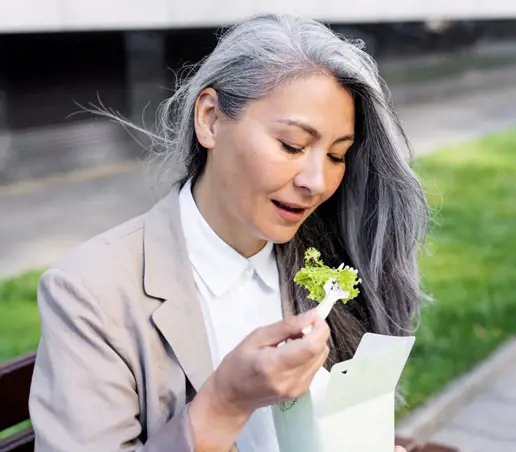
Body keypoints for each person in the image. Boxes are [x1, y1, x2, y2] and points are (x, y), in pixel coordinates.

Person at [28, 13, 429, 452]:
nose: (316, 182)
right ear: (211, 119)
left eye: (337, 155)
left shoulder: (331, 262)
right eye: (292, 145)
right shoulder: (90, 292)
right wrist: (225, 403)